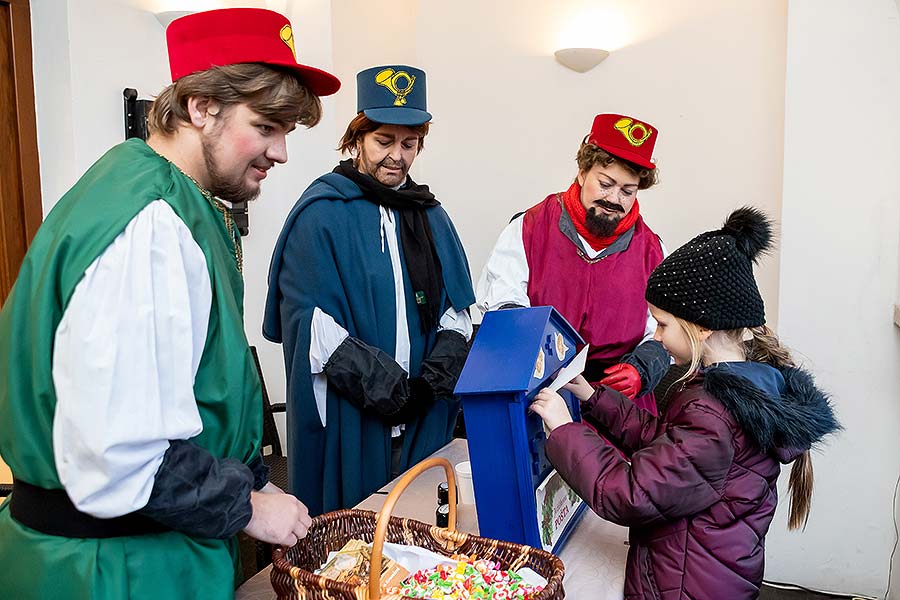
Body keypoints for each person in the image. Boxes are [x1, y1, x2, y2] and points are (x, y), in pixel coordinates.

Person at [0, 8, 340, 599]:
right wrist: (248, 505)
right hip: (116, 569)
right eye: (265, 126)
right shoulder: (150, 222)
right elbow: (118, 455)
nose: (281, 152)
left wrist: (255, 482)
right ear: (200, 107)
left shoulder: (164, 195)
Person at [530, 207, 840, 598]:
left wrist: (565, 431)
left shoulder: (715, 414)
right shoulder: (743, 389)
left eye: (662, 323)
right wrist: (594, 399)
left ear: (702, 326)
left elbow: (629, 492)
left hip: (683, 587)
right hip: (706, 575)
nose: (656, 337)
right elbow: (666, 442)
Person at [264, 65, 474, 516]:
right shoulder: (321, 213)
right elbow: (309, 320)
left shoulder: (430, 215)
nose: (396, 156)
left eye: (409, 143)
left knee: (417, 530)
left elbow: (455, 311)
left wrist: (427, 385)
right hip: (353, 413)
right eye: (384, 141)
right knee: (353, 543)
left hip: (423, 413)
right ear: (357, 137)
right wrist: (385, 387)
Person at [477, 113, 672, 413]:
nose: (614, 199)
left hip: (618, 407)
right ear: (582, 172)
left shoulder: (651, 250)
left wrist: (642, 369)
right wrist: (538, 358)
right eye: (605, 183)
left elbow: (663, 332)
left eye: (627, 191)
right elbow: (502, 303)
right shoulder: (529, 227)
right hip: (540, 396)